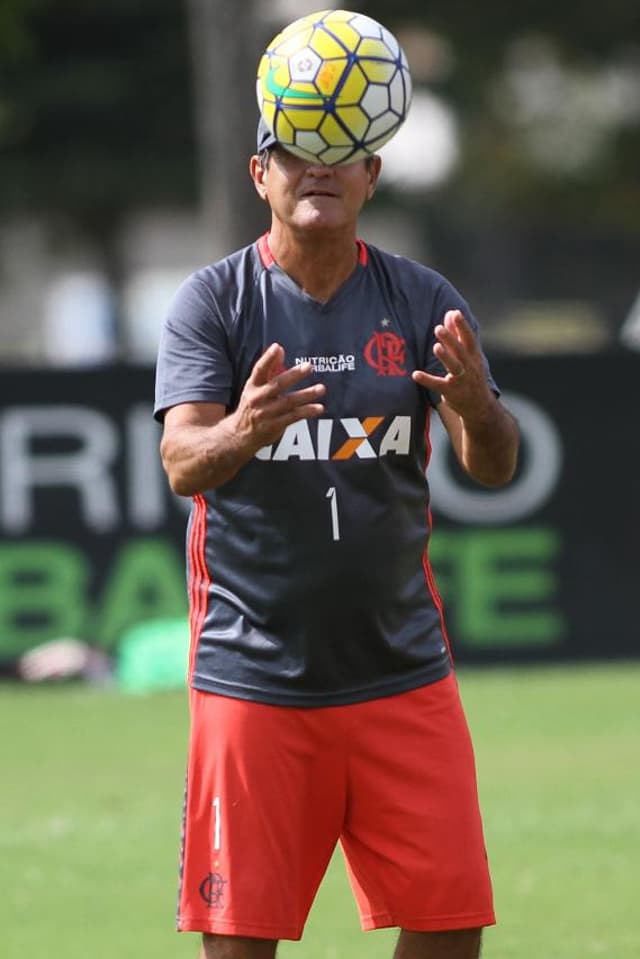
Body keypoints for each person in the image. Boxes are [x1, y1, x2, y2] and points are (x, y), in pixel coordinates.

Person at [154, 115, 519, 959]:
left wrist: (479, 409)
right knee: (240, 942)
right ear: (259, 173)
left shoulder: (424, 298)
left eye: (341, 154)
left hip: (402, 669)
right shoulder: (214, 300)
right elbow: (182, 460)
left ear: (372, 176)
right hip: (253, 675)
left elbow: (492, 465)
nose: (318, 170)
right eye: (295, 153)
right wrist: (243, 430)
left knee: (450, 923)